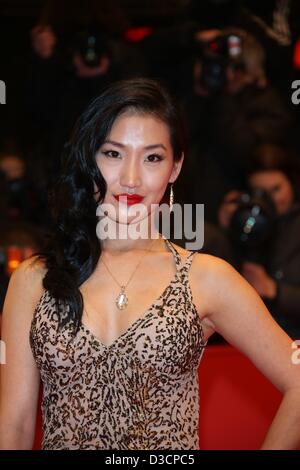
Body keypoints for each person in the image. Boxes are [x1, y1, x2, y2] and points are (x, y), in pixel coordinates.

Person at [0, 78, 300, 451]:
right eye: (113, 153)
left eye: (152, 158)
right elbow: (14, 425)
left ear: (174, 168)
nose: (130, 178)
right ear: (89, 157)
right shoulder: (34, 279)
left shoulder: (205, 278)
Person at [218, 144, 300, 340]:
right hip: (246, 341)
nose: (270, 200)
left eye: (276, 189)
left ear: (292, 184)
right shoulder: (244, 221)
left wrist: (275, 290)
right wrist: (227, 230)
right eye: (260, 192)